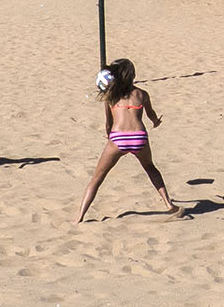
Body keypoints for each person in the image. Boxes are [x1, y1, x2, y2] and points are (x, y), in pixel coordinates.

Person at [75, 58, 183, 223]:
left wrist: (108, 135)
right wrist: (156, 122)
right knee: (150, 168)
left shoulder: (111, 96)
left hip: (118, 138)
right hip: (139, 137)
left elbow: (108, 123)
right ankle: (169, 204)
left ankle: (79, 217)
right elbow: (151, 115)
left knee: (97, 178)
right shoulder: (141, 94)